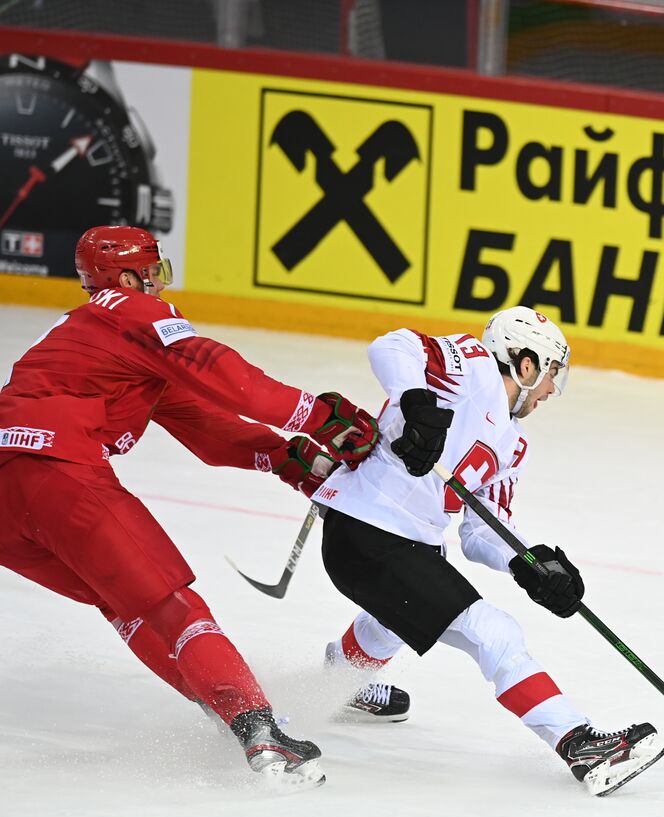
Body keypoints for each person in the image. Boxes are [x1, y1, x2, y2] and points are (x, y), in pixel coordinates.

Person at [0, 225, 383, 788]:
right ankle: (262, 734)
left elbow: (204, 424)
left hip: (8, 504)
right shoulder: (133, 314)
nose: (159, 281)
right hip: (57, 475)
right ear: (127, 277)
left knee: (125, 602)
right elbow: (230, 380)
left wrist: (291, 459)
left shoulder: (99, 333)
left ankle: (224, 706)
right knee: (170, 603)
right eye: (152, 270)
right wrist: (321, 418)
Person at [312, 306, 664, 796]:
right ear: (525, 364)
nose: (549, 391)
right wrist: (416, 401)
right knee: (491, 630)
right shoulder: (472, 365)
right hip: (366, 527)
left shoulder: (512, 444)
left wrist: (532, 564)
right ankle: (578, 742)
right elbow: (390, 346)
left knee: (396, 618)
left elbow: (481, 532)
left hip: (406, 545)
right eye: (549, 376)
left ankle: (338, 680)